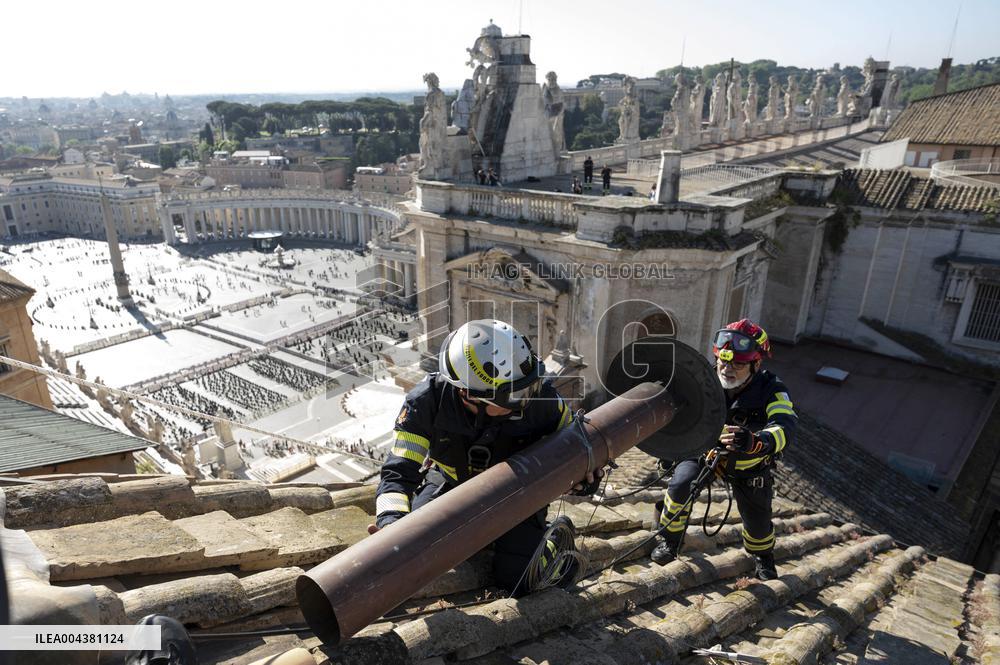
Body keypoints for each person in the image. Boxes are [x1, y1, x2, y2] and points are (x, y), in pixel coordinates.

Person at [373, 319, 600, 595]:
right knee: (421, 548)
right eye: (515, 395)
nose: (526, 400)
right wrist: (391, 523)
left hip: (518, 493)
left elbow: (577, 449)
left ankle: (555, 542)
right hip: (451, 485)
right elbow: (398, 473)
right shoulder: (427, 403)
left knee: (518, 579)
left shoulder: (543, 403)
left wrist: (584, 480)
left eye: (530, 386)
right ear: (468, 394)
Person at [651, 319, 797, 581]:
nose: (727, 369)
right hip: (704, 453)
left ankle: (763, 556)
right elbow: (678, 416)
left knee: (758, 520)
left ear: (756, 364)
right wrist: (670, 449)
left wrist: (756, 442)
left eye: (738, 364)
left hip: (749, 464)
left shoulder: (773, 390)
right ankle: (670, 541)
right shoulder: (701, 380)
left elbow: (785, 427)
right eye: (723, 361)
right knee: (679, 486)